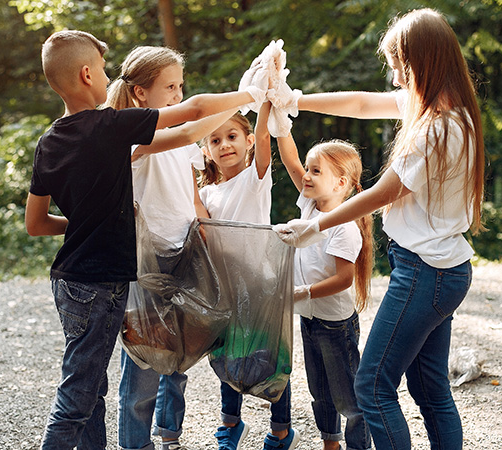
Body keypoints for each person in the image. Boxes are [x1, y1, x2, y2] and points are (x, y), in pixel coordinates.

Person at [25, 30, 259, 450]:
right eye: (99, 69)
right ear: (85, 74)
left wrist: (84, 224)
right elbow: (194, 118)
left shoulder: (47, 143)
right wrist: (249, 92)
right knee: (77, 397)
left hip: (68, 280)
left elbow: (36, 224)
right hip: (101, 282)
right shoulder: (109, 127)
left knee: (91, 387)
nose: (104, 76)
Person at [273, 8, 486, 450]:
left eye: (398, 69)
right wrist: (295, 100)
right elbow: (362, 102)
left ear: (418, 64)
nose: (393, 80)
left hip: (425, 272)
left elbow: (382, 193)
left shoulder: (437, 129)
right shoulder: (444, 108)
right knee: (429, 389)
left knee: (371, 387)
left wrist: (315, 225)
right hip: (441, 269)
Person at [103, 45, 263, 450]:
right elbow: (191, 124)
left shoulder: (181, 142)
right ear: (141, 93)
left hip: (185, 252)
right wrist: (251, 90)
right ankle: (134, 444)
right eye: (169, 87)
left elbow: (191, 197)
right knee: (143, 363)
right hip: (148, 259)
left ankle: (168, 434)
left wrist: (204, 237)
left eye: (180, 87)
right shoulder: (128, 132)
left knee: (179, 353)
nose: (177, 95)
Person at [197, 104, 298, 450]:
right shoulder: (207, 194)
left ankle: (281, 430)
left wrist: (265, 99)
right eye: (215, 140)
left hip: (262, 285)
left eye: (232, 136)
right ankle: (230, 424)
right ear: (206, 152)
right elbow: (200, 224)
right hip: (225, 290)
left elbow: (266, 141)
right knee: (227, 357)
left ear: (249, 140)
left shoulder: (255, 178)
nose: (225, 144)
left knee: (271, 359)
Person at [276, 126, 374, 450]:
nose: (305, 175)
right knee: (320, 391)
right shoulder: (310, 206)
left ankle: (358, 446)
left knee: (349, 397)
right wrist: (280, 116)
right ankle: (330, 443)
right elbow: (290, 161)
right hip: (309, 320)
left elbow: (344, 279)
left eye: (315, 170)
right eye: (308, 168)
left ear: (340, 183)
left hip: (335, 325)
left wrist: (302, 293)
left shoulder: (345, 228)